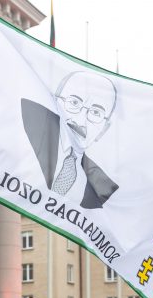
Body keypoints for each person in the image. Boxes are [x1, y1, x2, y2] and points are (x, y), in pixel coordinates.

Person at [21, 70, 119, 209]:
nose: (80, 121)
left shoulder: (104, 190)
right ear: (54, 103)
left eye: (96, 113)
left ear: (104, 129)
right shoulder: (26, 141)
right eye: (74, 102)